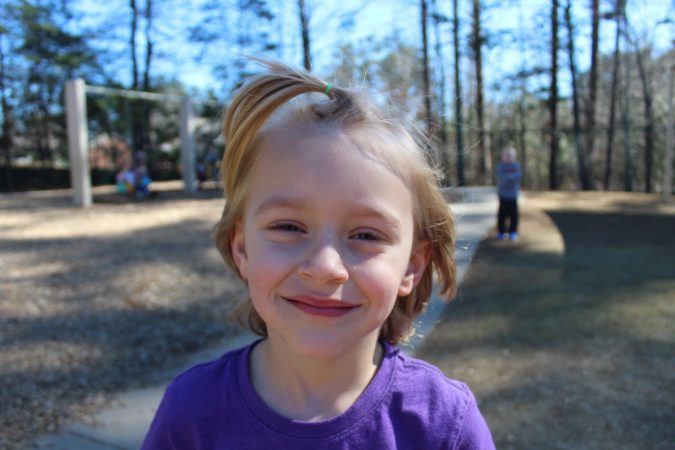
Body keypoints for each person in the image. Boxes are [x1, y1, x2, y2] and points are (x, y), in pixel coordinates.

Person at [141, 60, 495, 449]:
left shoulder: (444, 422)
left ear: (412, 265)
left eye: (365, 234)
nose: (325, 268)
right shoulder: (191, 413)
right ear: (241, 248)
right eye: (288, 227)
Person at [496, 146, 521, 241]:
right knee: (502, 215)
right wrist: (509, 178)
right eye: (507, 155)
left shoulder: (516, 166)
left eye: (511, 155)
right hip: (503, 196)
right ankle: (501, 232)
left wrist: (507, 178)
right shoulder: (500, 166)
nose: (509, 157)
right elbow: (501, 177)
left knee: (514, 215)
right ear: (502, 156)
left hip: (513, 196)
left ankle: (513, 232)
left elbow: (517, 177)